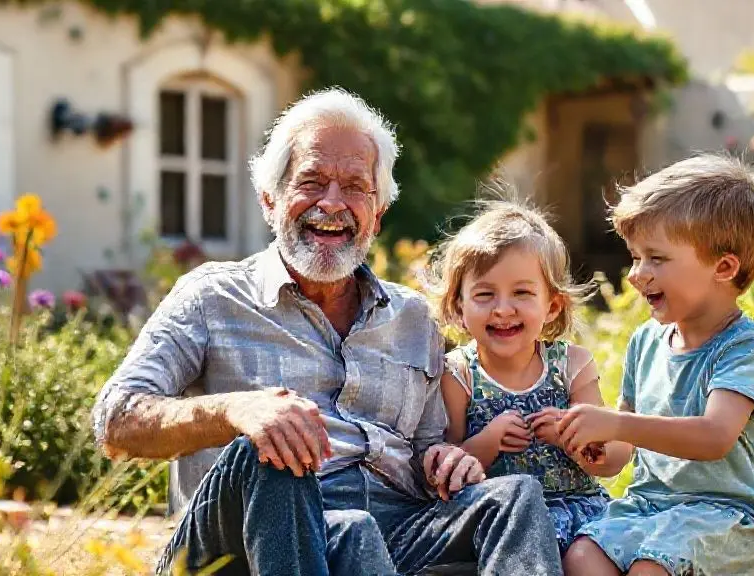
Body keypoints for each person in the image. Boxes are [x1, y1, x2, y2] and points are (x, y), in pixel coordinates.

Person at [91, 87, 564, 576]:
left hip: (394, 529)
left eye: (355, 187)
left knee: (513, 498)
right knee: (271, 447)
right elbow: (115, 422)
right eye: (312, 181)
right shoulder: (212, 297)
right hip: (250, 536)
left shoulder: (412, 317)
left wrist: (445, 459)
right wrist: (235, 410)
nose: (332, 203)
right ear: (269, 199)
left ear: (377, 213)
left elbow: (426, 448)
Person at [559, 154, 754, 575]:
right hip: (652, 506)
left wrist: (616, 425)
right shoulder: (646, 341)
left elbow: (714, 437)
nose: (635, 274)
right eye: (634, 257)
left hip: (729, 516)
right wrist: (593, 447)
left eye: (656, 259)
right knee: (581, 557)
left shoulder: (743, 346)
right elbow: (622, 450)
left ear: (724, 267)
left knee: (652, 568)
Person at [430, 200, 631, 555]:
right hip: (502, 520)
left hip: (582, 511)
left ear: (552, 305)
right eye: (484, 294)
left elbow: (612, 459)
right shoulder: (457, 374)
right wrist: (489, 442)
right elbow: (448, 465)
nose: (503, 309)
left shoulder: (571, 365)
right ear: (459, 306)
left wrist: (571, 436)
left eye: (522, 293)